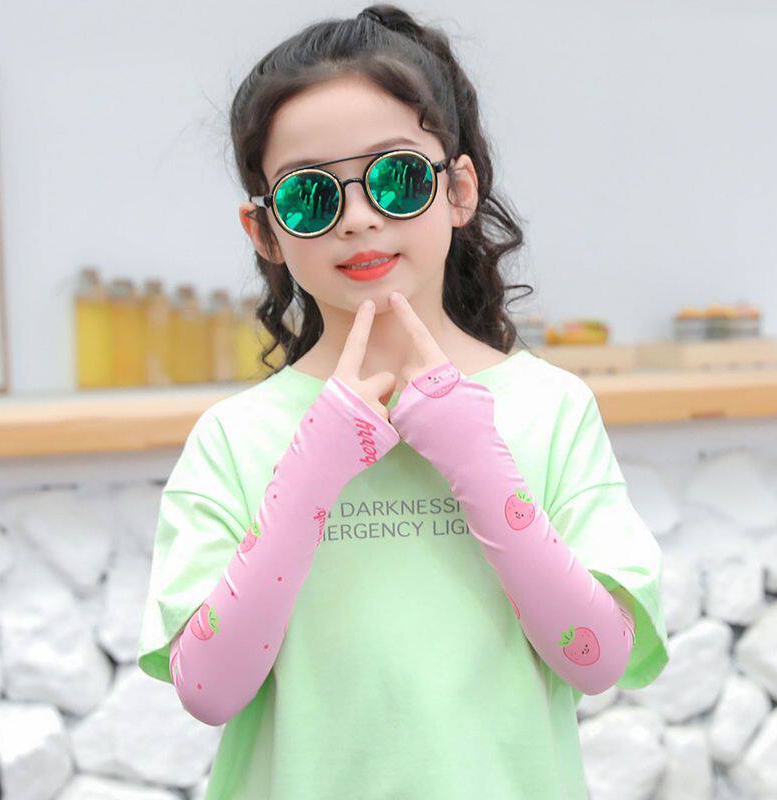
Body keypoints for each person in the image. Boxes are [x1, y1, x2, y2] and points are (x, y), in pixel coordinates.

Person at [137, 5, 669, 799]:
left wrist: (478, 461)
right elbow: (208, 691)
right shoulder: (235, 438)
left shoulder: (550, 409)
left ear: (458, 189)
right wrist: (308, 475)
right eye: (311, 196)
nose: (359, 218)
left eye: (396, 177)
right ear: (265, 231)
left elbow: (598, 660)